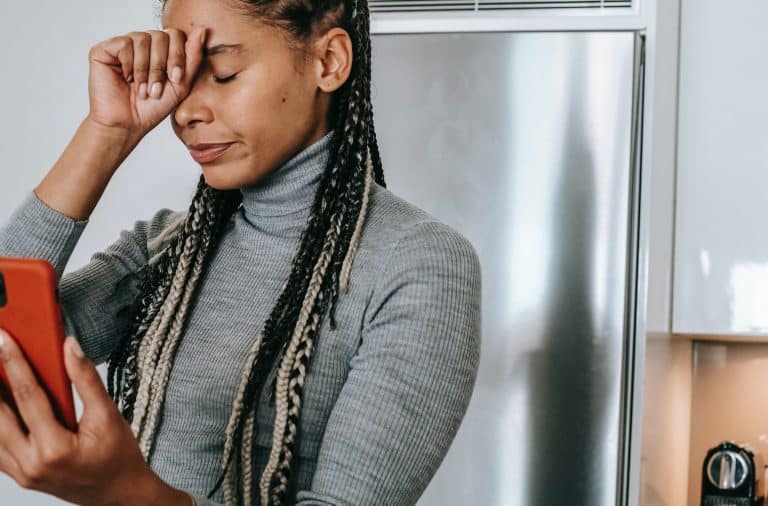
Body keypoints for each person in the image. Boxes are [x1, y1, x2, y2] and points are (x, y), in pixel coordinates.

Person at [0, 0, 482, 504]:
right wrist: (106, 133)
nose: (185, 112)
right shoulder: (165, 249)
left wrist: (129, 494)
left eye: (225, 74)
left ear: (329, 62)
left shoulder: (418, 266)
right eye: (182, 77)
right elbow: (9, 341)